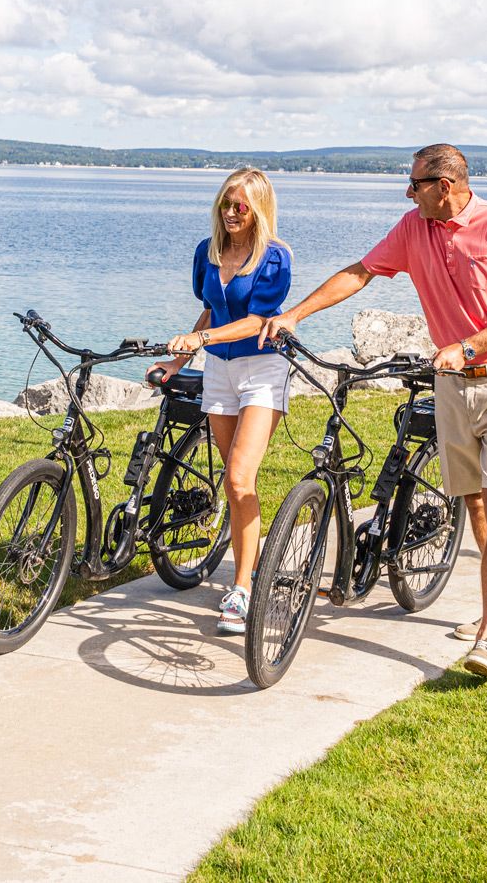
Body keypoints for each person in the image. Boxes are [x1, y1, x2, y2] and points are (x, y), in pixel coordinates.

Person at [262, 143, 487, 679]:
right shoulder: (413, 228)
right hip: (452, 387)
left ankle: (485, 639)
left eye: (415, 184)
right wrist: (296, 313)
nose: (407, 192)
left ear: (445, 184)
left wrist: (469, 345)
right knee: (475, 504)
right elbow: (360, 272)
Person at [150, 167, 293, 639]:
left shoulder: (275, 258)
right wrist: (178, 360)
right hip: (218, 371)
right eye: (226, 203)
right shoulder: (206, 253)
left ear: (258, 210)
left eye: (241, 206)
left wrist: (202, 336)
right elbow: (211, 308)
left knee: (238, 476)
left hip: (262, 370)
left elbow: (257, 321)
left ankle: (243, 587)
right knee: (231, 484)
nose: (231, 212)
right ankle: (245, 558)